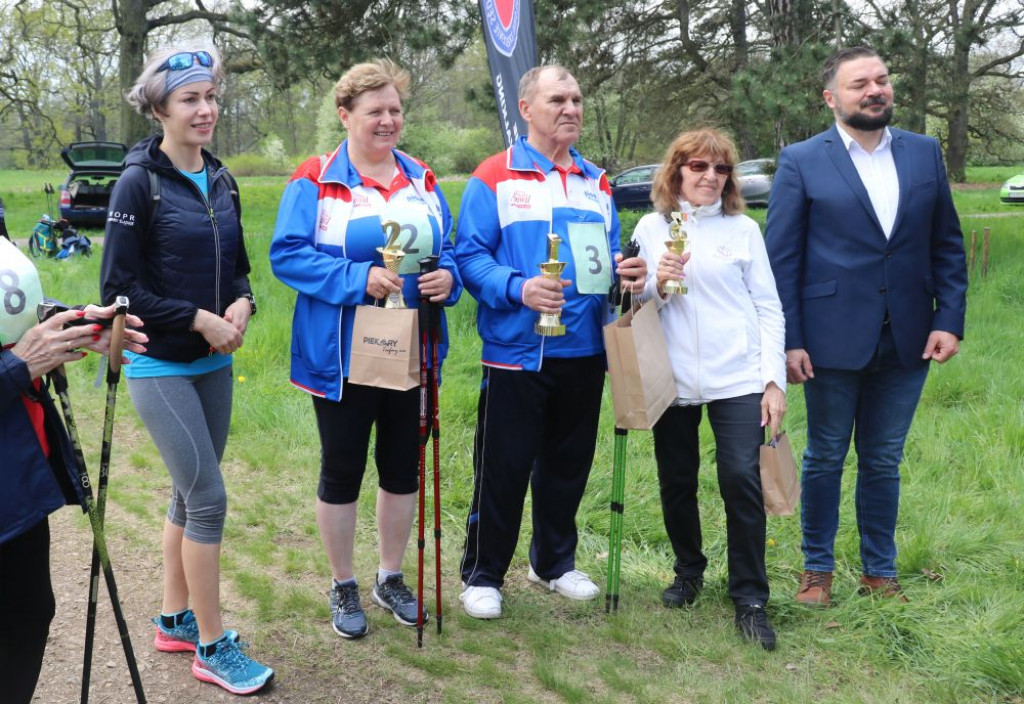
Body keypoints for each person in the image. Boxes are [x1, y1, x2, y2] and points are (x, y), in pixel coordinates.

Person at [765, 46, 967, 606]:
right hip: (828, 340)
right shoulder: (802, 160)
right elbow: (782, 259)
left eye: (881, 79)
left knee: (883, 458)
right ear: (832, 97)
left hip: (908, 336)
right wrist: (790, 339)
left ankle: (880, 572)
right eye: (860, 84)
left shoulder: (924, 154)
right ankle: (817, 572)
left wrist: (948, 319)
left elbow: (946, 245)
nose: (875, 89)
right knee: (826, 455)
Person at [100, 45, 273, 695]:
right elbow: (118, 288)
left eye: (211, 97)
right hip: (158, 365)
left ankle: (175, 621)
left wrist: (241, 306)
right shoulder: (135, 182)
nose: (206, 110)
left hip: (212, 365)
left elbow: (241, 271)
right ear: (158, 108)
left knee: (185, 493)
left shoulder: (222, 179)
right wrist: (200, 319)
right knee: (208, 499)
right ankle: (210, 643)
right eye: (190, 99)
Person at [270, 59, 461, 640]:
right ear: (345, 114)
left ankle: (390, 576)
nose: (387, 121)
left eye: (395, 110)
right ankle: (343, 583)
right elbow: (288, 254)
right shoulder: (315, 179)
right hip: (341, 354)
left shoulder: (422, 179)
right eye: (374, 111)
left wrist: (446, 279)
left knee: (402, 468)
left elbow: (446, 250)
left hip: (411, 351)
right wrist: (358, 280)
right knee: (344, 467)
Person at [455, 65, 647, 619]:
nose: (571, 109)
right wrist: (518, 288)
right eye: (558, 99)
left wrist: (623, 274)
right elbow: (469, 257)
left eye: (578, 99)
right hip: (517, 350)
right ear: (526, 109)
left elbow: (603, 260)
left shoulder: (598, 182)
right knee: (504, 466)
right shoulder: (494, 176)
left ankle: (553, 563)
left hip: (585, 350)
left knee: (568, 465)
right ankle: (484, 573)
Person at [631, 128, 786, 650]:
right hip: (671, 376)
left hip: (737, 376)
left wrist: (772, 380)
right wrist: (655, 281)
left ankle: (749, 597)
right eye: (699, 167)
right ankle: (688, 571)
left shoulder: (743, 230)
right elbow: (634, 304)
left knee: (741, 477)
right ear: (676, 171)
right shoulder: (652, 228)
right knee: (677, 479)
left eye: (720, 169)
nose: (710, 177)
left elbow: (768, 306)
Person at [2, 235, 147, 704]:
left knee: (26, 614)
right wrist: (16, 366)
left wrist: (70, 326)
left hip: (14, 477)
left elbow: (10, 311)